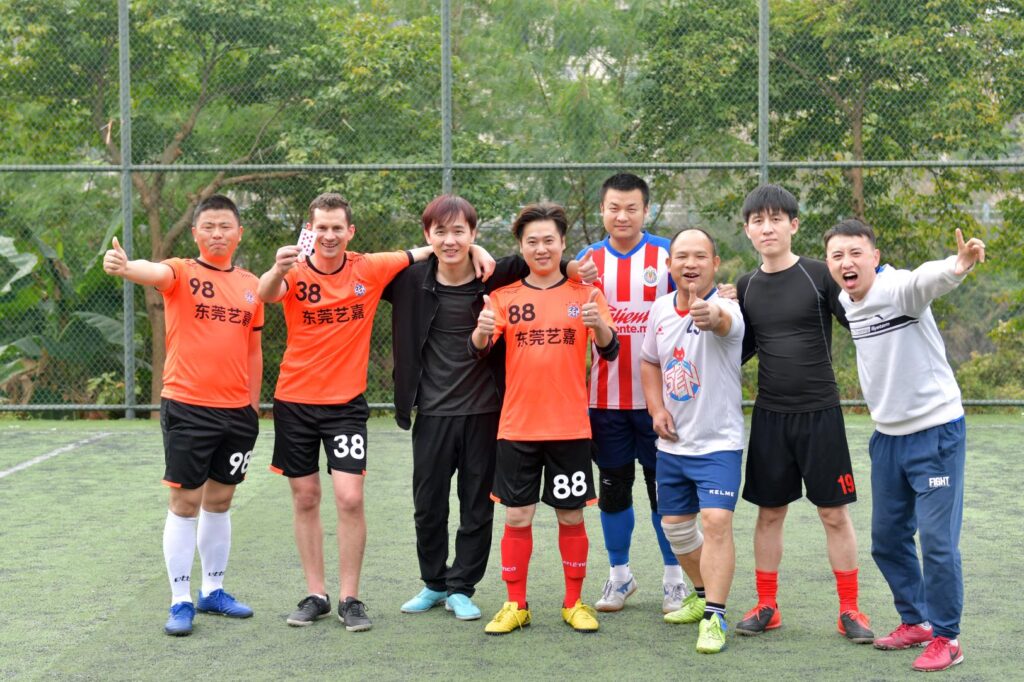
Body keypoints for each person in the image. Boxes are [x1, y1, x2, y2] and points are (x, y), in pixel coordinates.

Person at [257, 192, 493, 633]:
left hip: (347, 406)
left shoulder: (370, 267)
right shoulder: (293, 270)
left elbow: (425, 250)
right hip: (294, 401)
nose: (329, 235)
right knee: (306, 497)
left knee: (350, 497)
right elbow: (265, 294)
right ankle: (316, 594)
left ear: (350, 232)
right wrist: (276, 268)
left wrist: (475, 246)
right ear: (311, 231)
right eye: (321, 228)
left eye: (336, 228)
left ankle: (350, 597)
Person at [824, 220, 984, 672]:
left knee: (936, 541)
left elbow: (925, 279)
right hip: (887, 437)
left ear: (875, 257)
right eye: (837, 256)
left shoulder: (898, 290)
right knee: (887, 539)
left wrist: (959, 264)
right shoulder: (844, 298)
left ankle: (948, 637)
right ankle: (917, 622)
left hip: (936, 432)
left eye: (856, 253)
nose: (846, 263)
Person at [103, 194, 263, 637]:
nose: (217, 233)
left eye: (225, 226)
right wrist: (125, 264)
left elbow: (253, 349)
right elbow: (151, 271)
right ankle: (180, 599)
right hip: (188, 407)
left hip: (238, 414)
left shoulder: (252, 284)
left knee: (220, 501)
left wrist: (252, 405)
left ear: (238, 233)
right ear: (196, 233)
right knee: (186, 503)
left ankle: (214, 591)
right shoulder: (181, 272)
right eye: (208, 226)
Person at [733, 185, 873, 643]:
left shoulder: (820, 275)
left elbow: (864, 322)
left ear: (794, 225)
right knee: (768, 514)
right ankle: (766, 606)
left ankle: (850, 610)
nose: (767, 227)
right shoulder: (745, 286)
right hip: (771, 417)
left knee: (834, 515)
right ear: (748, 230)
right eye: (758, 220)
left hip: (821, 415)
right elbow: (741, 349)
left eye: (776, 219)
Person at [471, 202, 618, 635]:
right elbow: (477, 348)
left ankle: (574, 602)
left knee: (571, 517)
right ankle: (516, 603)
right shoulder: (503, 298)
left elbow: (609, 349)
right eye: (532, 241)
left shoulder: (587, 296)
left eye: (548, 240)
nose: (541, 248)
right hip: (517, 428)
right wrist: (481, 331)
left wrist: (601, 327)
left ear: (562, 244)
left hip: (570, 428)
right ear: (520, 246)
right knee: (517, 518)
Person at [574, 173, 686, 614]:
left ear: (645, 211)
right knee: (614, 491)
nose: (622, 216)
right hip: (604, 403)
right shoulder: (585, 262)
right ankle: (620, 576)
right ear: (602, 210)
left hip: (661, 404)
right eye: (613, 208)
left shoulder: (667, 255)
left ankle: (674, 578)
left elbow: (694, 303)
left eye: (631, 208)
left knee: (666, 494)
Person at [640, 228, 745, 654]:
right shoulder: (660, 309)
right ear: (669, 265)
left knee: (716, 522)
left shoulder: (728, 309)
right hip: (672, 444)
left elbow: (720, 323)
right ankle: (700, 595)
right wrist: (656, 409)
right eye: (681, 256)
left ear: (714, 264)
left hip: (719, 443)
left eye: (700, 256)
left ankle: (715, 616)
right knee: (676, 529)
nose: (690, 263)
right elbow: (649, 363)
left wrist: (710, 313)